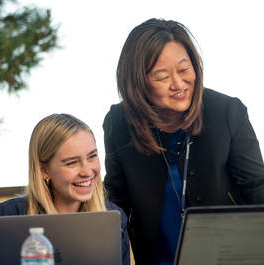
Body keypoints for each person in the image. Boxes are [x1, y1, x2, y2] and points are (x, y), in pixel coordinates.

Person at [102, 18, 264, 265]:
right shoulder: (119, 123)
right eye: (162, 76)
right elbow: (116, 203)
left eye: (184, 69)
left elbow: (257, 187)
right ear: (137, 83)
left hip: (226, 257)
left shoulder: (227, 112)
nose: (178, 84)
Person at [0, 113, 130, 265]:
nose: (87, 172)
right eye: (72, 163)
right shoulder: (6, 217)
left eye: (92, 156)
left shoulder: (114, 220)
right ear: (44, 170)